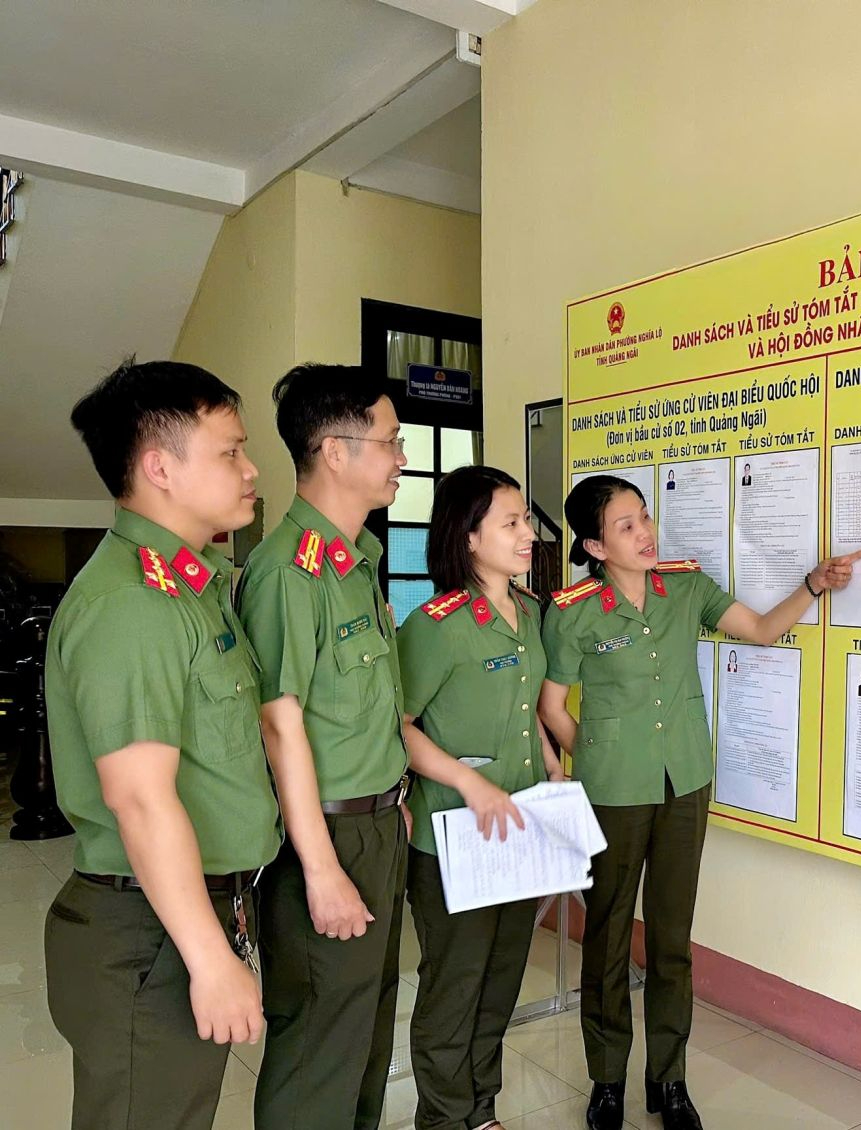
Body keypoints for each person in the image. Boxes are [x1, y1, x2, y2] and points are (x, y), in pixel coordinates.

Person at [538, 475, 861, 1130]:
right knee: (606, 934)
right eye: (626, 526)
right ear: (594, 546)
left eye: (644, 517)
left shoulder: (683, 586)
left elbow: (761, 630)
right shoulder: (573, 610)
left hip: (684, 782)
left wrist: (811, 586)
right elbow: (552, 706)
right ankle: (607, 1080)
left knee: (672, 937)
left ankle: (670, 1079)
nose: (645, 532)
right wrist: (601, 755)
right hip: (613, 792)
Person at [44, 360, 280, 1130]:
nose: (250, 471)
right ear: (159, 468)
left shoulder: (192, 588)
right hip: (151, 934)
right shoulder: (133, 604)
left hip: (181, 916)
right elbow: (140, 800)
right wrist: (211, 961)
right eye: (230, 452)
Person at [238, 363, 411, 1130]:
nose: (401, 456)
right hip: (325, 835)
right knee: (317, 1052)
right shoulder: (288, 575)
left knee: (366, 1034)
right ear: (335, 452)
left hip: (376, 825)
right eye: (389, 441)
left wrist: (393, 801)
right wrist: (321, 869)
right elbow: (280, 727)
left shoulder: (357, 561)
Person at [396, 466, 565, 1130]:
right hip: (452, 836)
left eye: (526, 520)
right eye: (512, 522)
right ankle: (442, 1119)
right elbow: (398, 725)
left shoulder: (529, 613)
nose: (528, 534)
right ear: (469, 537)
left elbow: (526, 711)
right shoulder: (437, 625)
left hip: (518, 828)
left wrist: (551, 762)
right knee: (454, 989)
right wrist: (467, 781)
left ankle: (480, 1111)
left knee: (498, 983)